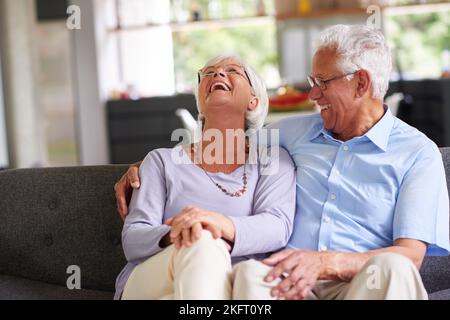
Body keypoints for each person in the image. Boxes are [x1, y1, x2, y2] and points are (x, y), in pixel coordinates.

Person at [115, 25, 450, 300]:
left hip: (361, 282)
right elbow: (224, 142)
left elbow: (411, 256)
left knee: (394, 268)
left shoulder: (418, 153)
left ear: (360, 82)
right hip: (285, 281)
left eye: (323, 82)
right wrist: (142, 167)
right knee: (249, 272)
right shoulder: (290, 134)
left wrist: (325, 263)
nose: (313, 95)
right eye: (312, 82)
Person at [114, 55, 296, 300]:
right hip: (154, 279)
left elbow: (276, 226)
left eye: (232, 70)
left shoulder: (273, 161)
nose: (218, 75)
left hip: (228, 286)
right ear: (200, 98)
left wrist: (218, 223)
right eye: (208, 73)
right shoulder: (161, 161)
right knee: (201, 242)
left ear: (253, 101)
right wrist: (178, 233)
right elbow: (133, 240)